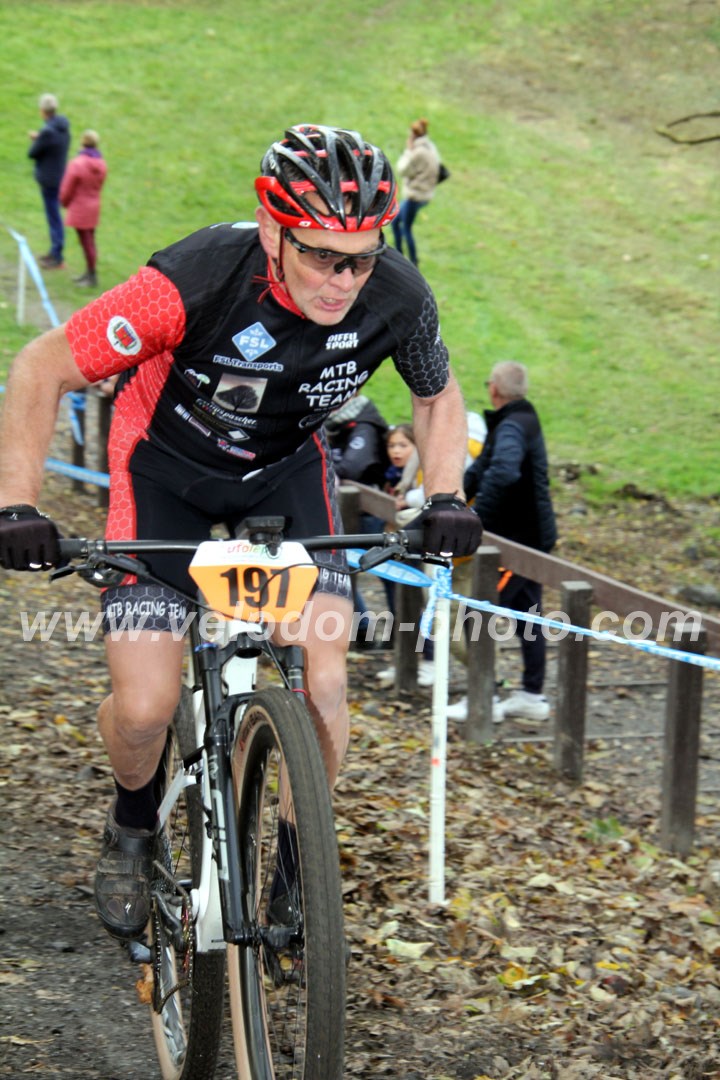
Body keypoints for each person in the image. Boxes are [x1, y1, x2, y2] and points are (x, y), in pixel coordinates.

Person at [0, 123, 482, 943]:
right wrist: (18, 506)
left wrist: (445, 494)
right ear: (270, 230)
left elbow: (436, 396)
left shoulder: (398, 295)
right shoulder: (193, 279)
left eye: (360, 259)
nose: (342, 281)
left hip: (285, 474)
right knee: (146, 706)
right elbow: (42, 365)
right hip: (162, 474)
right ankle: (131, 825)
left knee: (324, 681)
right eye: (321, 256)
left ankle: (298, 869)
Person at [447, 361, 557, 724]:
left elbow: (504, 470)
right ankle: (531, 695)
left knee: (476, 613)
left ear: (493, 388)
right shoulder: (515, 420)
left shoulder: (512, 425)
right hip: (529, 538)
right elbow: (480, 471)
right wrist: (452, 501)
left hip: (519, 544)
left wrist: (479, 517)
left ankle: (485, 697)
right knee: (528, 615)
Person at [325, 393, 390, 645]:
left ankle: (413, 640)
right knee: (339, 569)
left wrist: (327, 466)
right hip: (345, 510)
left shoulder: (365, 425)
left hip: (371, 513)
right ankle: (363, 628)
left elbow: (353, 466)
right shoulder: (332, 424)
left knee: (390, 576)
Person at [376, 424, 435, 687]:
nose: (396, 451)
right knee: (398, 602)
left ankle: (430, 660)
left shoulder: (423, 470)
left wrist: (407, 499)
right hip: (399, 543)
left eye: (403, 445)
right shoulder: (394, 476)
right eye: (392, 446)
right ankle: (404, 659)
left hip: (421, 544)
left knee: (421, 602)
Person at [27, 93, 71, 270]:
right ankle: (54, 252)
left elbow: (32, 153)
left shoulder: (47, 132)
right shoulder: (63, 128)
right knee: (54, 216)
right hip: (59, 176)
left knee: (54, 217)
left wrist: (37, 139)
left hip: (48, 180)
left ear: (43, 111)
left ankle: (56, 255)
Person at [60, 129, 108, 288]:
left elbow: (67, 188)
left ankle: (91, 275)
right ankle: (89, 272)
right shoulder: (101, 164)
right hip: (94, 206)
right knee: (90, 241)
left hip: (80, 208)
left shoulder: (77, 163)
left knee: (86, 242)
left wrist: (63, 202)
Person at [390, 117, 441, 267]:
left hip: (415, 196)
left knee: (406, 227)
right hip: (425, 194)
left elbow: (402, 170)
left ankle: (412, 261)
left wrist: (408, 151)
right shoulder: (430, 147)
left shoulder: (417, 153)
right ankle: (400, 254)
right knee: (396, 222)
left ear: (413, 135)